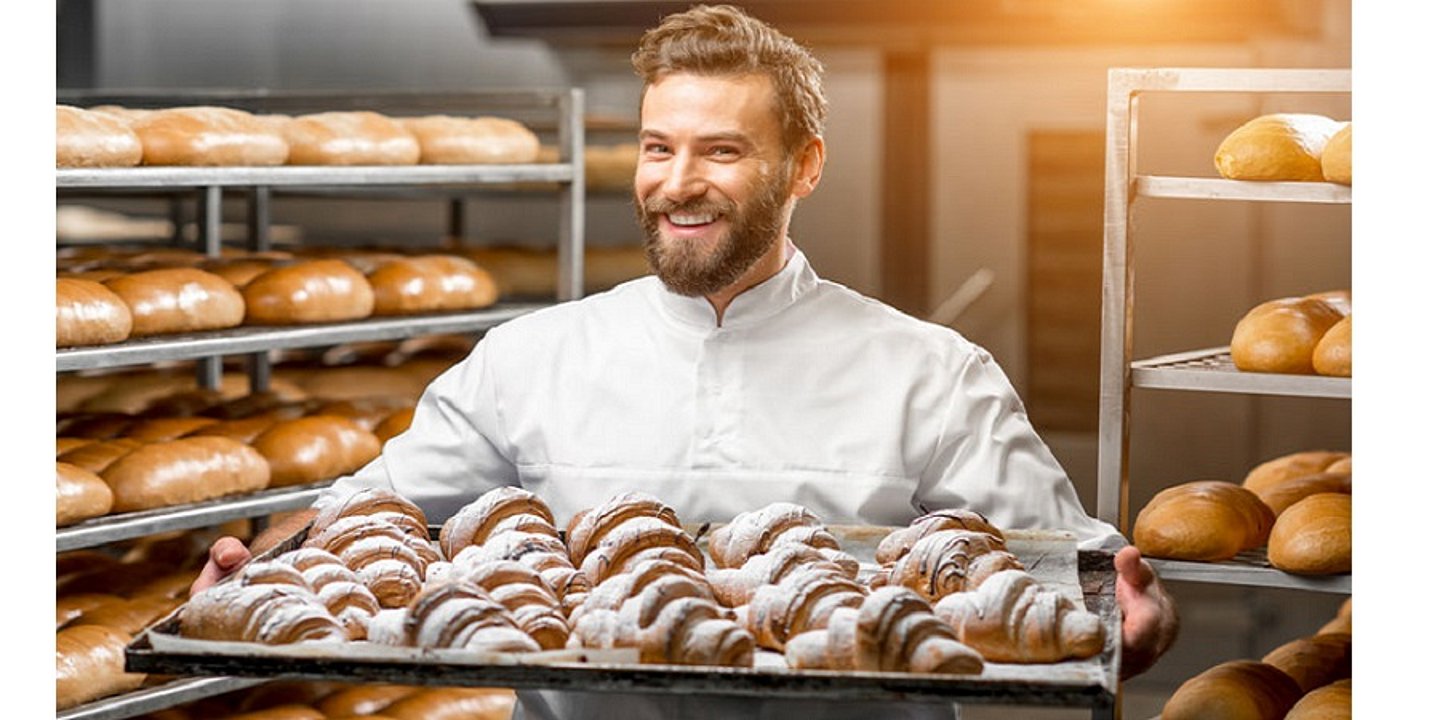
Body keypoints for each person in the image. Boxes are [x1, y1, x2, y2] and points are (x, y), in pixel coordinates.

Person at [194, 5, 1177, 718]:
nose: (677, 184)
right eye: (660, 149)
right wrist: (256, 570)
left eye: (721, 152)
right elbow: (371, 515)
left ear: (804, 167)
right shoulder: (530, 358)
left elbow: (1063, 569)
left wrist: (1134, 608)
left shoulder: (931, 371)